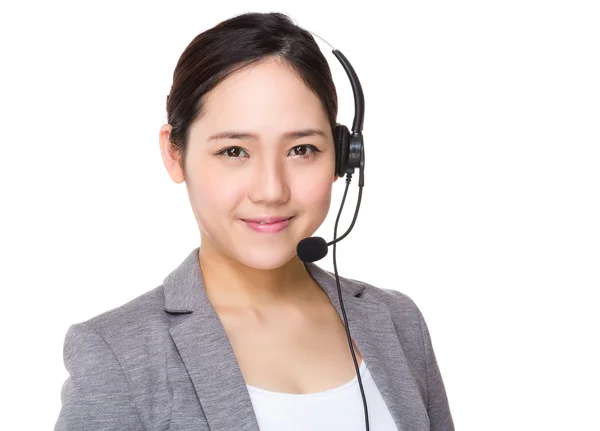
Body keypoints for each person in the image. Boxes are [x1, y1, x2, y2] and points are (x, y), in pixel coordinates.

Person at [54, 11, 454, 431]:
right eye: (234, 152)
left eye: (301, 149)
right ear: (175, 154)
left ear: (343, 155)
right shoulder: (116, 354)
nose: (270, 190)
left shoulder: (397, 321)